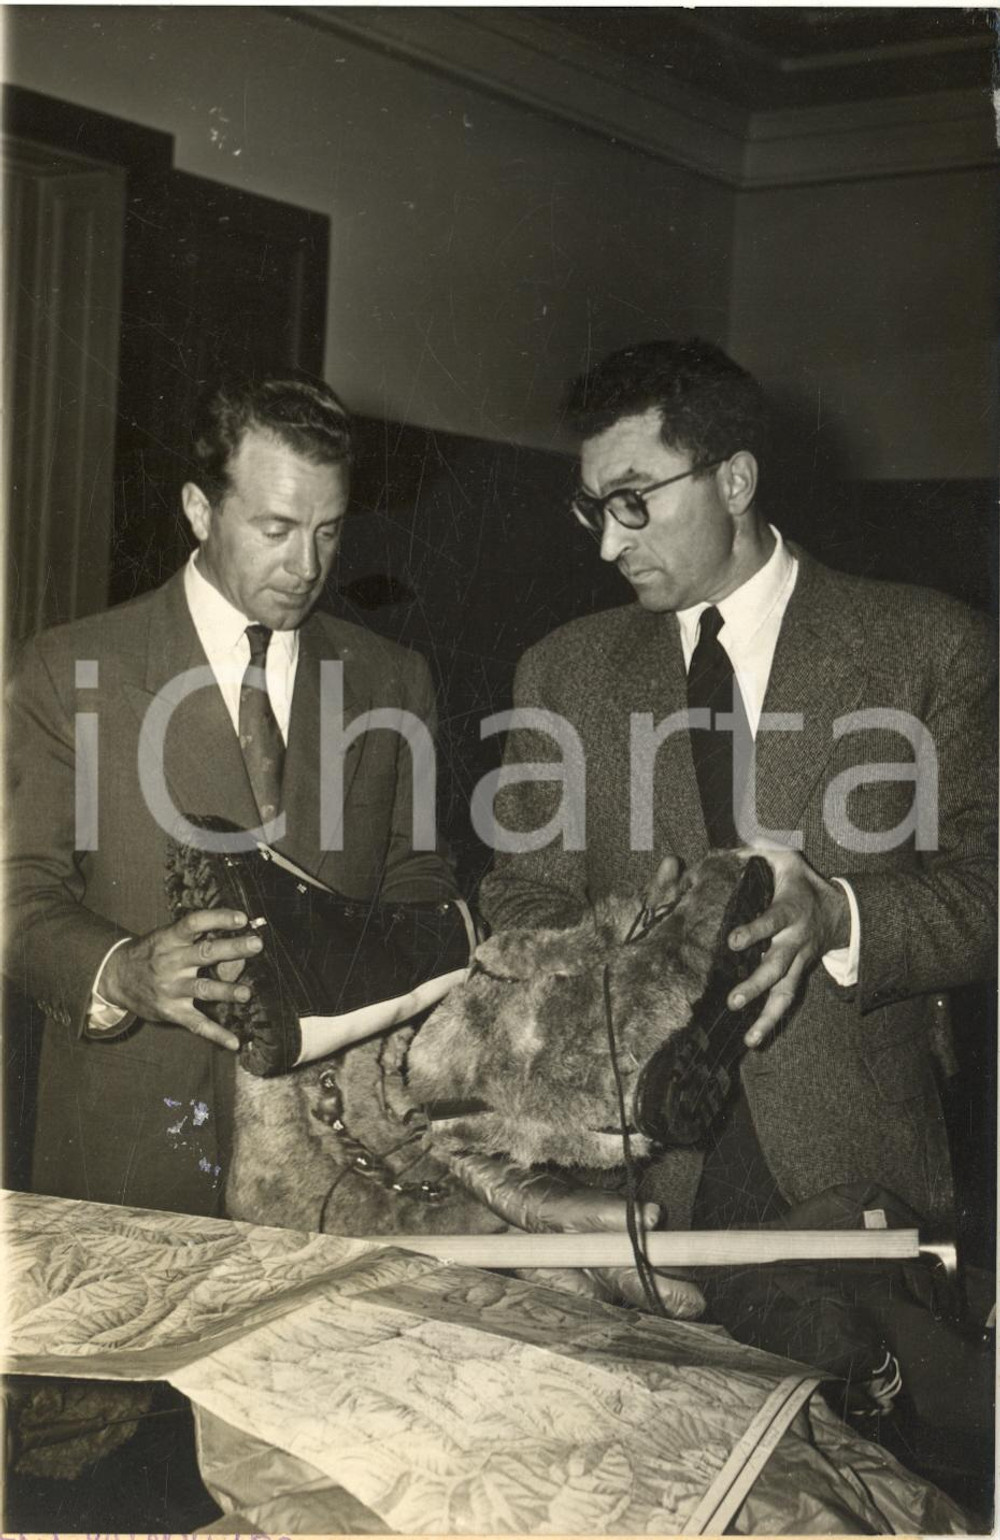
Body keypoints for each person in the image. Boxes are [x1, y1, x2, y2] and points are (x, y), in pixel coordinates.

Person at [479, 338, 997, 1237]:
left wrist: (838, 913)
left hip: (861, 1162)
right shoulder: (563, 672)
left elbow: (988, 890)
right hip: (630, 1173)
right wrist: (626, 949)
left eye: (635, 502)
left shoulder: (931, 646)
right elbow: (521, 897)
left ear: (734, 480)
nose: (610, 543)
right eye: (596, 508)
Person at [5, 376, 457, 1217]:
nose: (307, 566)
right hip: (128, 1159)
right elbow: (16, 897)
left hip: (336, 1164)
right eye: (276, 529)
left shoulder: (395, 678)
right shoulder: (63, 672)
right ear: (199, 509)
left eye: (329, 531)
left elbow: (419, 877)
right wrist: (122, 970)